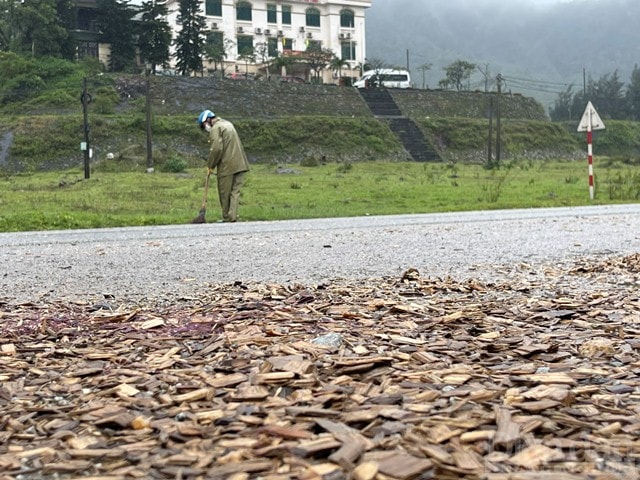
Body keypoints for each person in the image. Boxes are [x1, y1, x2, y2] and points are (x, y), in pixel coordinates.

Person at [197, 110, 250, 222]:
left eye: (204, 125)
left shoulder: (216, 128)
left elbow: (216, 149)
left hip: (227, 165)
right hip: (241, 163)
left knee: (224, 192)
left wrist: (210, 165)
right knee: (235, 192)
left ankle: (226, 216)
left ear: (207, 120)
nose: (205, 128)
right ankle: (233, 216)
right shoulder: (227, 124)